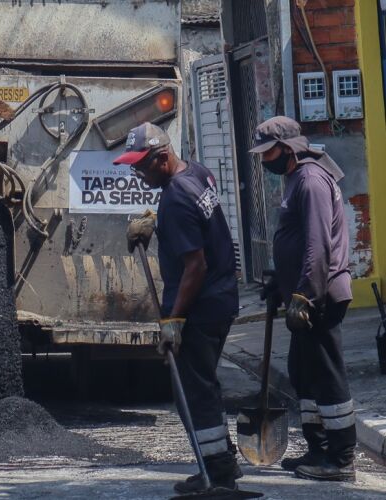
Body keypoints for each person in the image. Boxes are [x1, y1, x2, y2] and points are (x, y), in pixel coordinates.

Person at [120, 122, 240, 494]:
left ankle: (217, 472)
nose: (138, 174)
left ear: (162, 158)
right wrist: (155, 224)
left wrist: (174, 319)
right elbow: (198, 222)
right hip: (222, 299)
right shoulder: (196, 173)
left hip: (200, 309)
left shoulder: (175, 199)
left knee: (194, 391)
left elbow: (195, 265)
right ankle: (222, 461)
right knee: (202, 385)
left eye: (142, 166)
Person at [249, 116, 356, 482]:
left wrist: (303, 294)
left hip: (320, 296)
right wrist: (280, 283)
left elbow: (317, 244)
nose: (265, 161)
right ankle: (318, 448)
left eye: (269, 152)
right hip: (303, 294)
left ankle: (340, 458)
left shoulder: (310, 181)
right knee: (302, 373)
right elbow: (295, 242)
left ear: (289, 147)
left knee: (326, 376)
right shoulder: (295, 178)